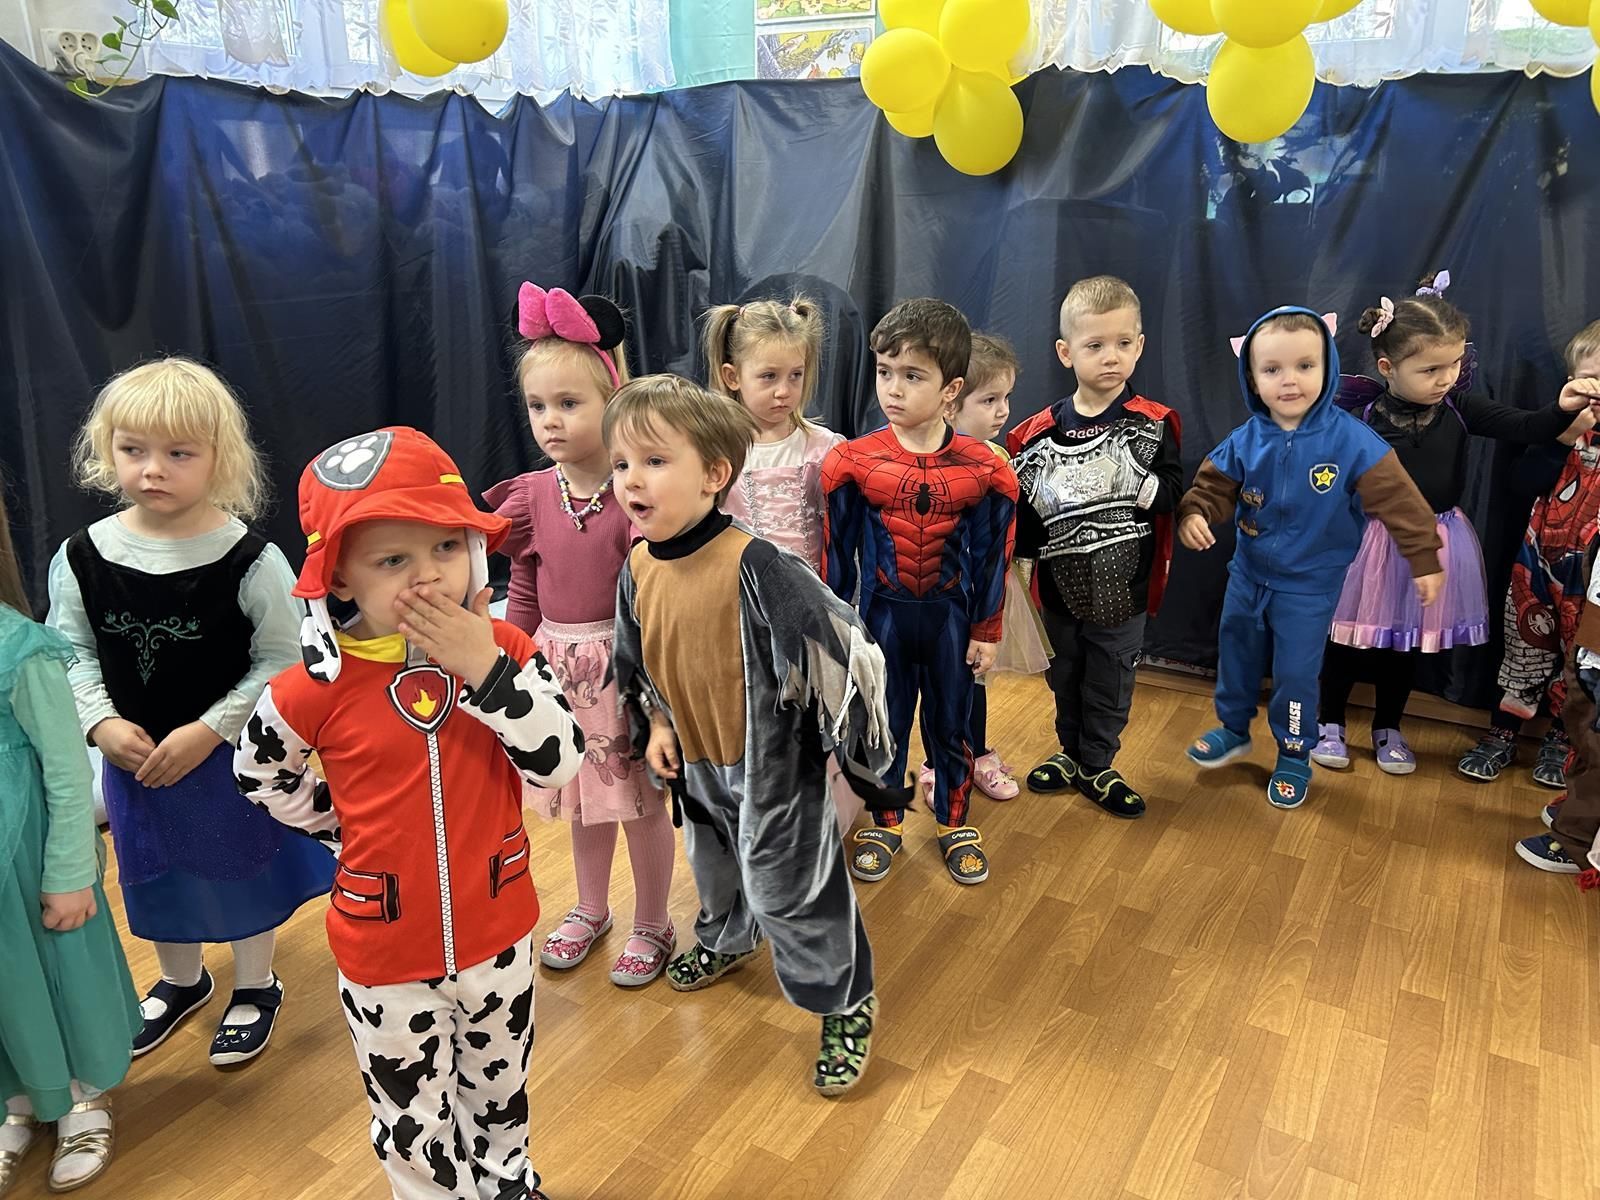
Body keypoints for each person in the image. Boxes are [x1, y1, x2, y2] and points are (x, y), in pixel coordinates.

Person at [235, 427, 585, 1200]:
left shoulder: (507, 650)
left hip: (499, 932)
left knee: (502, 1089)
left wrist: (487, 673)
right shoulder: (312, 685)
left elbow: (560, 761)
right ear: (340, 577)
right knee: (410, 1119)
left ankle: (507, 1182)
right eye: (393, 560)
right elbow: (258, 773)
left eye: (446, 547)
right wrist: (339, 829)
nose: (428, 575)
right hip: (383, 951)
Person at [607, 374, 893, 1095]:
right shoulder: (637, 564)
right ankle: (729, 937)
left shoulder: (757, 563)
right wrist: (657, 723)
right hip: (696, 760)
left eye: (654, 461)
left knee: (791, 888)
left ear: (714, 474)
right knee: (714, 869)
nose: (631, 479)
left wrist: (856, 749)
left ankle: (844, 997)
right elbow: (637, 655)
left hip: (773, 768)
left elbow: (845, 646)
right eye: (621, 463)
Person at [47, 358, 330, 1067]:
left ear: (218, 457)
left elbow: (283, 658)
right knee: (155, 871)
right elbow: (69, 648)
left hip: (229, 760)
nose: (152, 470)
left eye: (178, 453)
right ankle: (182, 980)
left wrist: (211, 729)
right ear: (107, 449)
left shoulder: (251, 559)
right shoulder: (82, 556)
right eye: (133, 449)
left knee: (242, 867)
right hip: (135, 763)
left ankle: (257, 983)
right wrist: (101, 722)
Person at [1314, 272, 1592, 774]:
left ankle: (1388, 727)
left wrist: (1561, 408)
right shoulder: (1362, 413)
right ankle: (1328, 722)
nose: (1447, 378)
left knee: (1405, 643)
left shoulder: (1459, 408)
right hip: (1369, 542)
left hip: (1437, 537)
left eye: (1456, 363)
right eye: (1431, 369)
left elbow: (1526, 426)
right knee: (1347, 639)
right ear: (1388, 367)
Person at [485, 283, 676, 987]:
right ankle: (591, 907)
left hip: (626, 671)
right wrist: (509, 665)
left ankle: (653, 921)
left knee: (639, 802)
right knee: (581, 798)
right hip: (557, 671)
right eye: (538, 406)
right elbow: (525, 589)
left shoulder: (634, 494)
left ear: (612, 399)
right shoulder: (533, 496)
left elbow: (655, 598)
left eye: (569, 403)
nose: (551, 421)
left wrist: (659, 689)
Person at [1178, 307, 1442, 809]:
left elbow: (1401, 503)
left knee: (1296, 674)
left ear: (1328, 368)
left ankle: (1295, 753)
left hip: (1309, 587)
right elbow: (1211, 487)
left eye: (1304, 366)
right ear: (1252, 379)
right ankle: (1233, 728)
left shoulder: (1352, 441)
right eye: (1272, 369)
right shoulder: (1247, 438)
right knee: (1236, 652)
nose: (1289, 380)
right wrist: (1195, 513)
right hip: (1247, 575)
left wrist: (1424, 558)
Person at [823, 298, 1018, 885]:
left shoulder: (985, 469)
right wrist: (837, 632)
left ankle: (955, 823)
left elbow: (994, 557)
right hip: (879, 617)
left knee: (951, 724)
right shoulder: (851, 462)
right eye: (884, 371)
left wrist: (987, 630)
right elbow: (837, 557)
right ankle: (885, 822)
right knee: (881, 724)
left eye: (912, 375)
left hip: (950, 618)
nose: (893, 388)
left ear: (951, 389)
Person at [0, 484, 141, 1195]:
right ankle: (21, 1099)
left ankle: (83, 1096)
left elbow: (64, 770)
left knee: (60, 977)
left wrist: (69, 872)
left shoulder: (18, 649)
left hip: (28, 863)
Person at [1008, 276, 1183, 817]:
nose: (1112, 356)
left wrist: (1131, 482)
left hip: (1123, 586)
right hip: (1059, 585)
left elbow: (1172, 492)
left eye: (1123, 343)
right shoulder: (1035, 434)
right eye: (1096, 345)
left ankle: (1098, 763)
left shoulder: (1152, 424)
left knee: (1110, 675)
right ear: (1066, 353)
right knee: (1065, 673)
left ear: (1140, 346)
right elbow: (1025, 518)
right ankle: (1070, 753)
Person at [1460, 319, 1600, 787]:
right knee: (1523, 646)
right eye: (1591, 383)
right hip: (1537, 565)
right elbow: (1522, 482)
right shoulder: (1559, 429)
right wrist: (1562, 437)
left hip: (1592, 582)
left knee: (1579, 658)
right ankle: (1503, 730)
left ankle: (1561, 738)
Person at [707, 296, 844, 575]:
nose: (784, 391)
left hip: (810, 593)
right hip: (740, 590)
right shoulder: (715, 451)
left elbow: (841, 535)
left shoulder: (824, 449)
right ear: (732, 377)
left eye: (795, 375)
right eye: (769, 376)